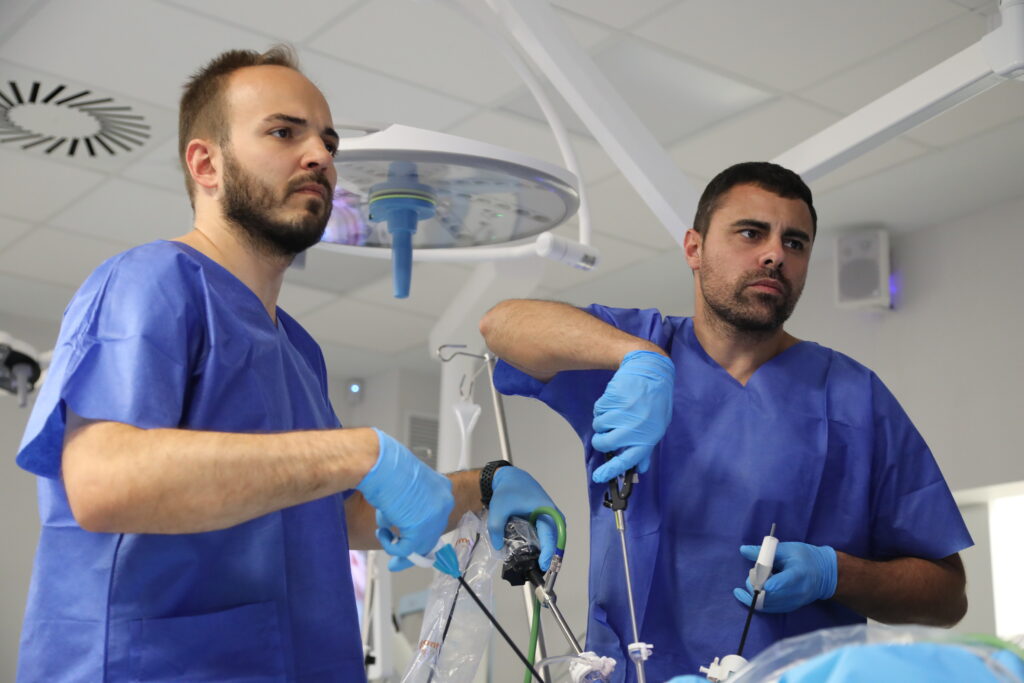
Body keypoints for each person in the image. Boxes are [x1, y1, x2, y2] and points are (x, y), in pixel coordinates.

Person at [14, 46, 559, 682]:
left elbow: (335, 513)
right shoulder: (150, 283)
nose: (321, 156)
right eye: (283, 132)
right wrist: (359, 454)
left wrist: (483, 487)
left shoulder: (296, 349)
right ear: (206, 163)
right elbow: (104, 483)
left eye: (328, 142)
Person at [479, 162, 972, 682]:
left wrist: (835, 574)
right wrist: (640, 358)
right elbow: (502, 324)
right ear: (693, 248)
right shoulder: (631, 353)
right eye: (751, 232)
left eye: (796, 243)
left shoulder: (854, 398)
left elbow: (946, 596)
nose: (774, 254)